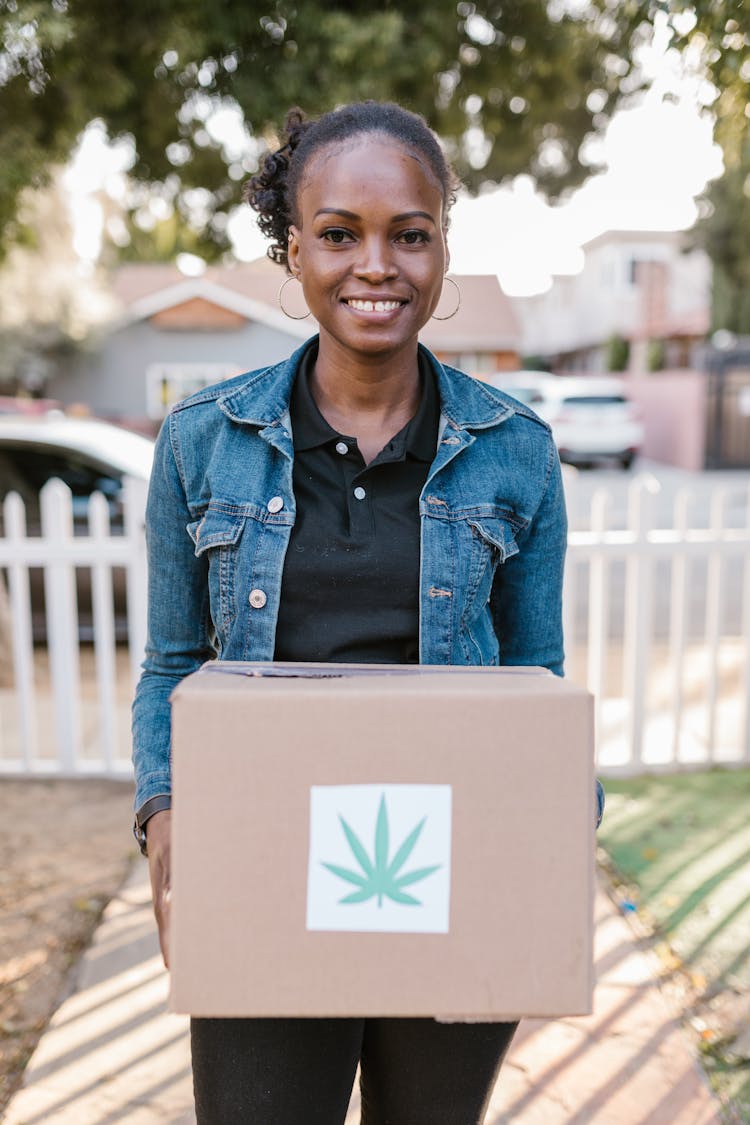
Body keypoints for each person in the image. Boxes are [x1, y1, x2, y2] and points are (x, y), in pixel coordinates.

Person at [132, 100, 602, 1125]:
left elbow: (538, 680)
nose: (376, 265)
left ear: (443, 249)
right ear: (295, 252)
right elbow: (173, 660)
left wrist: (559, 837)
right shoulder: (201, 442)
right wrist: (166, 811)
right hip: (264, 867)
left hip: (455, 870)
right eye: (340, 234)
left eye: (410, 233)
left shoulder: (516, 451)